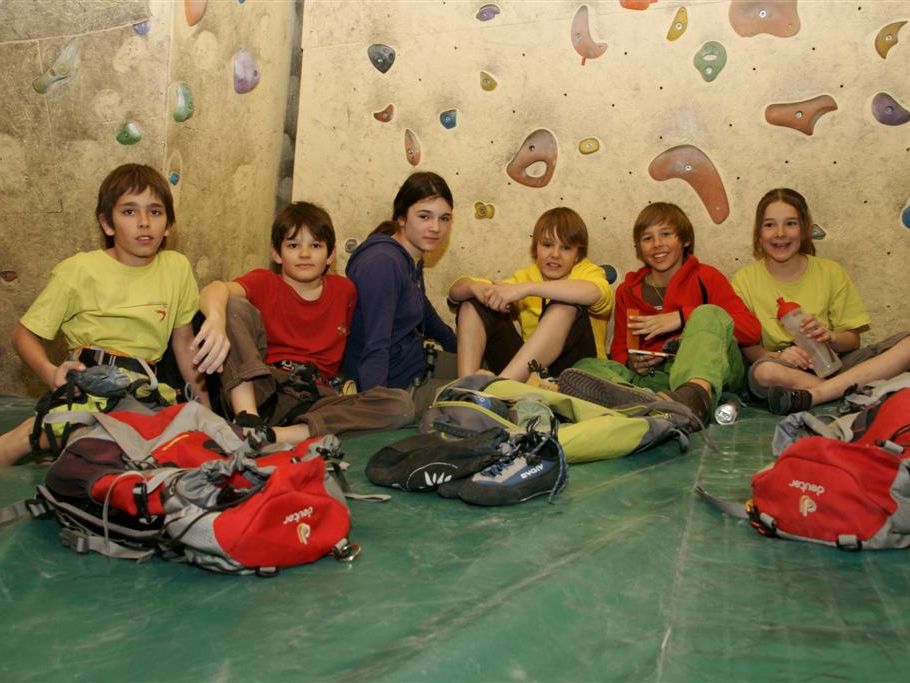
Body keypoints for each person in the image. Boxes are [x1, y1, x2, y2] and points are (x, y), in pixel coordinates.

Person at [0, 164, 208, 466]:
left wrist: (205, 411)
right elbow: (23, 334)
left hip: (146, 392)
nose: (144, 222)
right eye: (128, 212)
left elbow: (185, 345)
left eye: (155, 211)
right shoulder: (80, 270)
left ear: (169, 225)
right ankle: (31, 441)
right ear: (107, 223)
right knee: (40, 436)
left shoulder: (176, 268)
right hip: (90, 384)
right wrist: (50, 372)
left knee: (181, 451)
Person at [193, 202, 414, 445]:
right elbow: (214, 289)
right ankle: (248, 421)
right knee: (232, 305)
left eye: (316, 245)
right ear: (276, 253)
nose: (305, 254)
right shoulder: (264, 282)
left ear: (330, 254)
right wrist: (216, 319)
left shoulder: (345, 291)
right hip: (265, 388)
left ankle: (271, 437)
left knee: (399, 404)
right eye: (293, 245)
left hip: (317, 398)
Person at [558, 202, 761, 427]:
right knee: (584, 366)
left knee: (708, 313)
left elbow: (751, 330)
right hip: (657, 380)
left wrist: (682, 318)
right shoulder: (628, 290)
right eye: (647, 238)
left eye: (666, 234)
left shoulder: (706, 277)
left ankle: (695, 399)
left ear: (685, 240)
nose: (657, 244)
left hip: (711, 371)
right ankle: (643, 401)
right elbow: (619, 350)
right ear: (639, 248)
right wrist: (632, 363)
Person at [732, 188, 910, 414]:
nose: (780, 233)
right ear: (758, 233)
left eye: (790, 223)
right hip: (786, 369)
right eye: (769, 225)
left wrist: (830, 337)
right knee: (763, 373)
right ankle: (853, 393)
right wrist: (777, 355)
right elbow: (749, 346)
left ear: (804, 229)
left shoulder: (830, 271)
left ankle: (818, 394)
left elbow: (852, 340)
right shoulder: (745, 280)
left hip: (835, 363)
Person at [447, 207, 612, 381]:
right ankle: (465, 388)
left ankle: (501, 386)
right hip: (529, 374)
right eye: (547, 245)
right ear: (536, 249)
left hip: (578, 375)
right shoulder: (525, 276)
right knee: (474, 302)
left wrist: (527, 288)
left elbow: (594, 292)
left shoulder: (587, 272)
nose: (555, 254)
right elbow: (456, 291)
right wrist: (474, 287)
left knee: (566, 302)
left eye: (566, 248)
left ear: (577, 255)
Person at [343, 171, 458, 392]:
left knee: (485, 370)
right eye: (424, 216)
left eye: (444, 218)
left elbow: (426, 315)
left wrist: (460, 349)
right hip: (396, 385)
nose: (436, 227)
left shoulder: (409, 258)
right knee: (482, 391)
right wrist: (378, 407)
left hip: (416, 364)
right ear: (402, 217)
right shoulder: (383, 263)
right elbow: (374, 344)